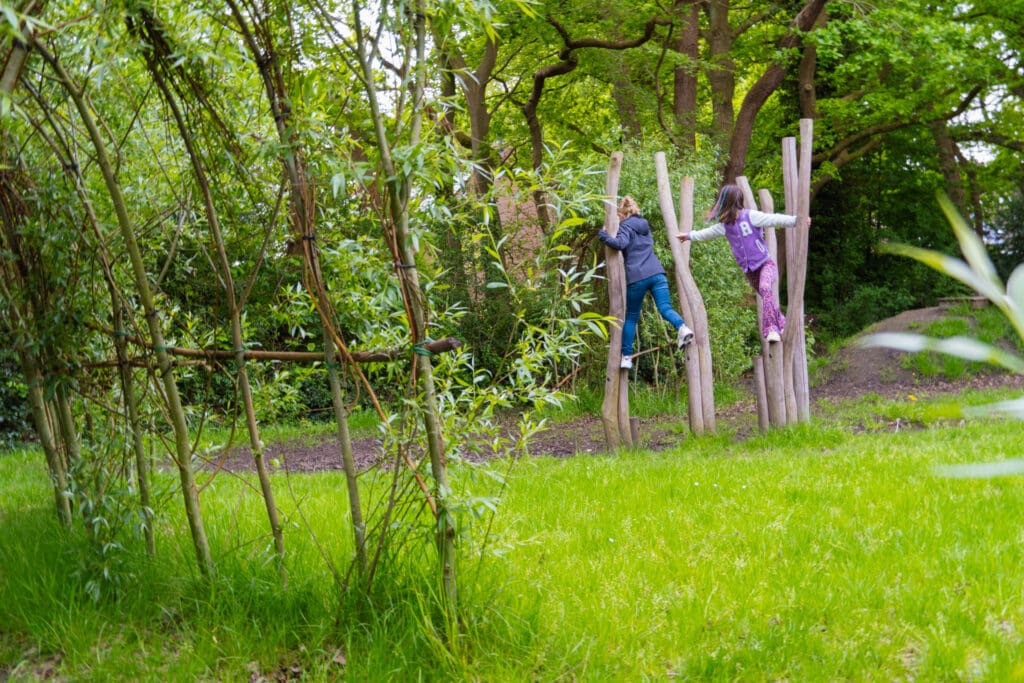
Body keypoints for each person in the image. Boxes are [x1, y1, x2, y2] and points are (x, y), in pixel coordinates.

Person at [678, 183, 808, 343]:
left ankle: (771, 329)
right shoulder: (725, 226)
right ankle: (781, 322)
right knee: (767, 296)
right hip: (749, 270)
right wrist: (689, 236)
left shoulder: (750, 216)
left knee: (765, 288)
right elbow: (707, 233)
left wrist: (796, 221)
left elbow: (774, 219)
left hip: (765, 264)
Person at [598, 196, 694, 370]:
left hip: (637, 276)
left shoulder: (625, 226)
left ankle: (626, 357)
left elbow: (619, 243)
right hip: (657, 273)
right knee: (665, 308)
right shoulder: (645, 225)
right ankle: (682, 327)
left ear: (622, 214)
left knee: (631, 317)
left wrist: (603, 235)